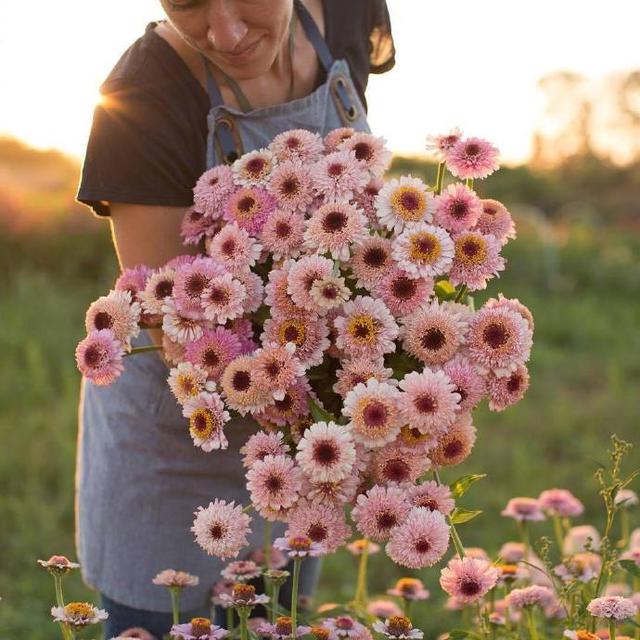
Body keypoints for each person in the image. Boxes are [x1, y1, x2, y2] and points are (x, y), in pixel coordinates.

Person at [76, 1, 395, 637]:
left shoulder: (349, 11)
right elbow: (176, 326)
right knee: (157, 620)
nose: (225, 32)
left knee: (273, 620)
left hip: (303, 425)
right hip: (180, 422)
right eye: (188, 3)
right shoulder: (142, 96)